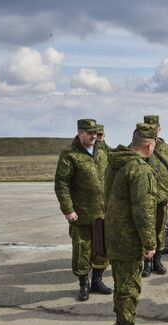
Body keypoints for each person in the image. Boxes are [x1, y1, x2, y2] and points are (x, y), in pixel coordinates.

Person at [104, 123, 158, 325]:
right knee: (129, 286)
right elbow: (142, 211)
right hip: (129, 237)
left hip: (114, 233)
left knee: (121, 282)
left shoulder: (116, 163)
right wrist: (149, 242)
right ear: (149, 144)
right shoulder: (139, 169)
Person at [54, 118, 112, 302]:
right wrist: (68, 209)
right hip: (82, 214)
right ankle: (83, 285)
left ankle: (97, 281)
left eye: (95, 132)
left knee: (101, 249)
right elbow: (61, 184)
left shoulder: (102, 150)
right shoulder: (69, 155)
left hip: (103, 212)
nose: (94, 136)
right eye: (90, 133)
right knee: (82, 250)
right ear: (80, 133)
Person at [140, 115, 168, 276]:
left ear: (158, 129)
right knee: (145, 229)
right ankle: (146, 263)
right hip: (142, 197)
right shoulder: (138, 146)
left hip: (161, 196)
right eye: (148, 127)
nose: (152, 131)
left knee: (159, 229)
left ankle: (157, 260)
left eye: (154, 128)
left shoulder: (165, 148)